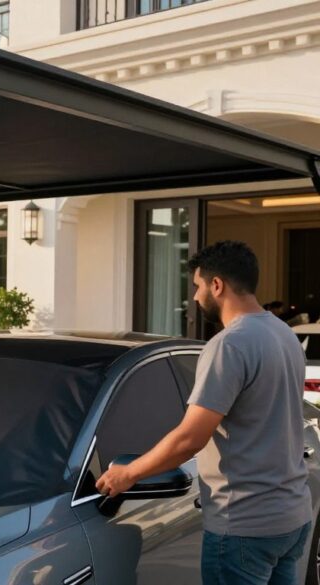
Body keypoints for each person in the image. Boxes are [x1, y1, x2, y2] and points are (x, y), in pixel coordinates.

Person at [96, 241, 312, 585]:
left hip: (244, 527)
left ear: (217, 285)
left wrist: (128, 473)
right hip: (291, 517)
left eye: (197, 286)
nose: (195, 297)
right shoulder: (283, 333)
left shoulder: (230, 344)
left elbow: (189, 439)